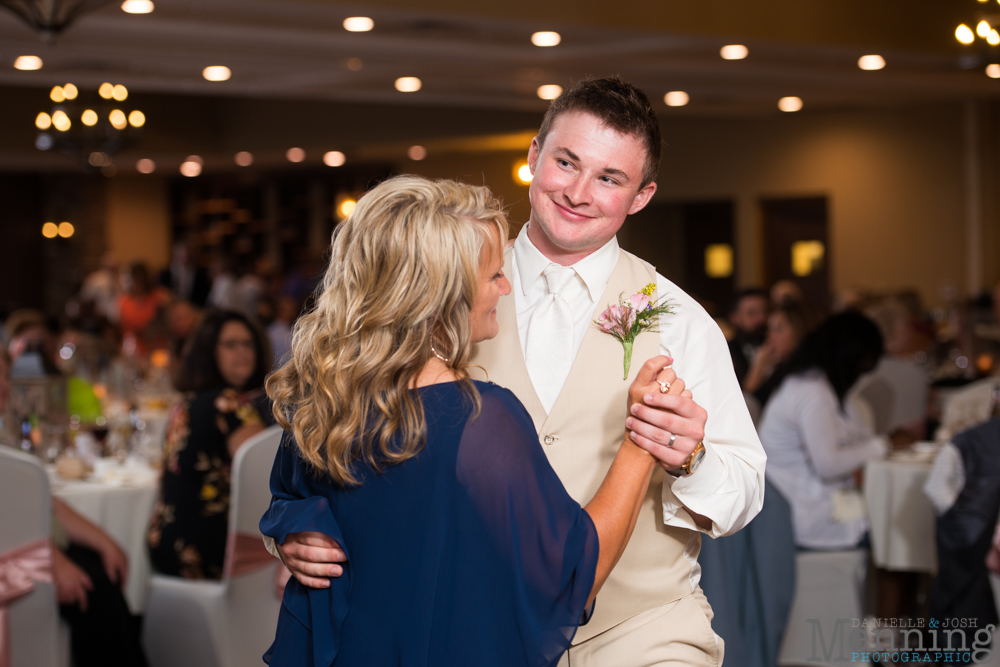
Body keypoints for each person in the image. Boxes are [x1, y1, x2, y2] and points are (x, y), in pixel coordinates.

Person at [276, 78, 766, 666]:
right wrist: (299, 529)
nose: (580, 192)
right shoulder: (447, 290)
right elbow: (336, 433)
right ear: (534, 157)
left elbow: (744, 493)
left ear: (641, 196)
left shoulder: (681, 319)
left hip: (638, 632)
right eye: (567, 162)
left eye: (610, 178)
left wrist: (689, 457)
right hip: (472, 637)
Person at [261, 175, 683, 666]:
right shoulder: (478, 419)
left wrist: (293, 531)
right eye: (494, 276)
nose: (506, 288)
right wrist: (642, 439)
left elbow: (290, 499)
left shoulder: (327, 398)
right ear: (440, 296)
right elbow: (572, 577)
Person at [147, 310, 273, 579]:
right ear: (208, 352)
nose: (243, 352)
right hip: (206, 550)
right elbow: (267, 472)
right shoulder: (228, 403)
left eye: (248, 344)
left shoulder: (185, 402)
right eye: (230, 344)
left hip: (166, 543)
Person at [757, 311, 888, 550]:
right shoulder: (811, 391)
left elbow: (856, 438)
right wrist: (883, 446)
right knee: (891, 531)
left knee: (891, 519)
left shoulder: (822, 387)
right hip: (804, 513)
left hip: (818, 502)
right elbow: (829, 465)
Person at [745, 303, 809, 407]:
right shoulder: (778, 369)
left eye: (778, 329)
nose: (770, 336)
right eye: (770, 329)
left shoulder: (806, 377)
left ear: (800, 331)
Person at [727, 288, 770, 387]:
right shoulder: (727, 350)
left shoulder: (778, 347)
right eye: (751, 313)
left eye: (765, 311)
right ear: (734, 318)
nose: (761, 318)